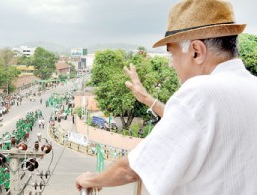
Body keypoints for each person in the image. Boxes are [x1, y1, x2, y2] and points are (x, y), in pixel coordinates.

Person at [75, 1, 257, 195]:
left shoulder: (200, 91)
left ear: (196, 51)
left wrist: (91, 179)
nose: (171, 64)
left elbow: (131, 169)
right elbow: (200, 124)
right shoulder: (251, 86)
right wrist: (147, 99)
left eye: (172, 53)